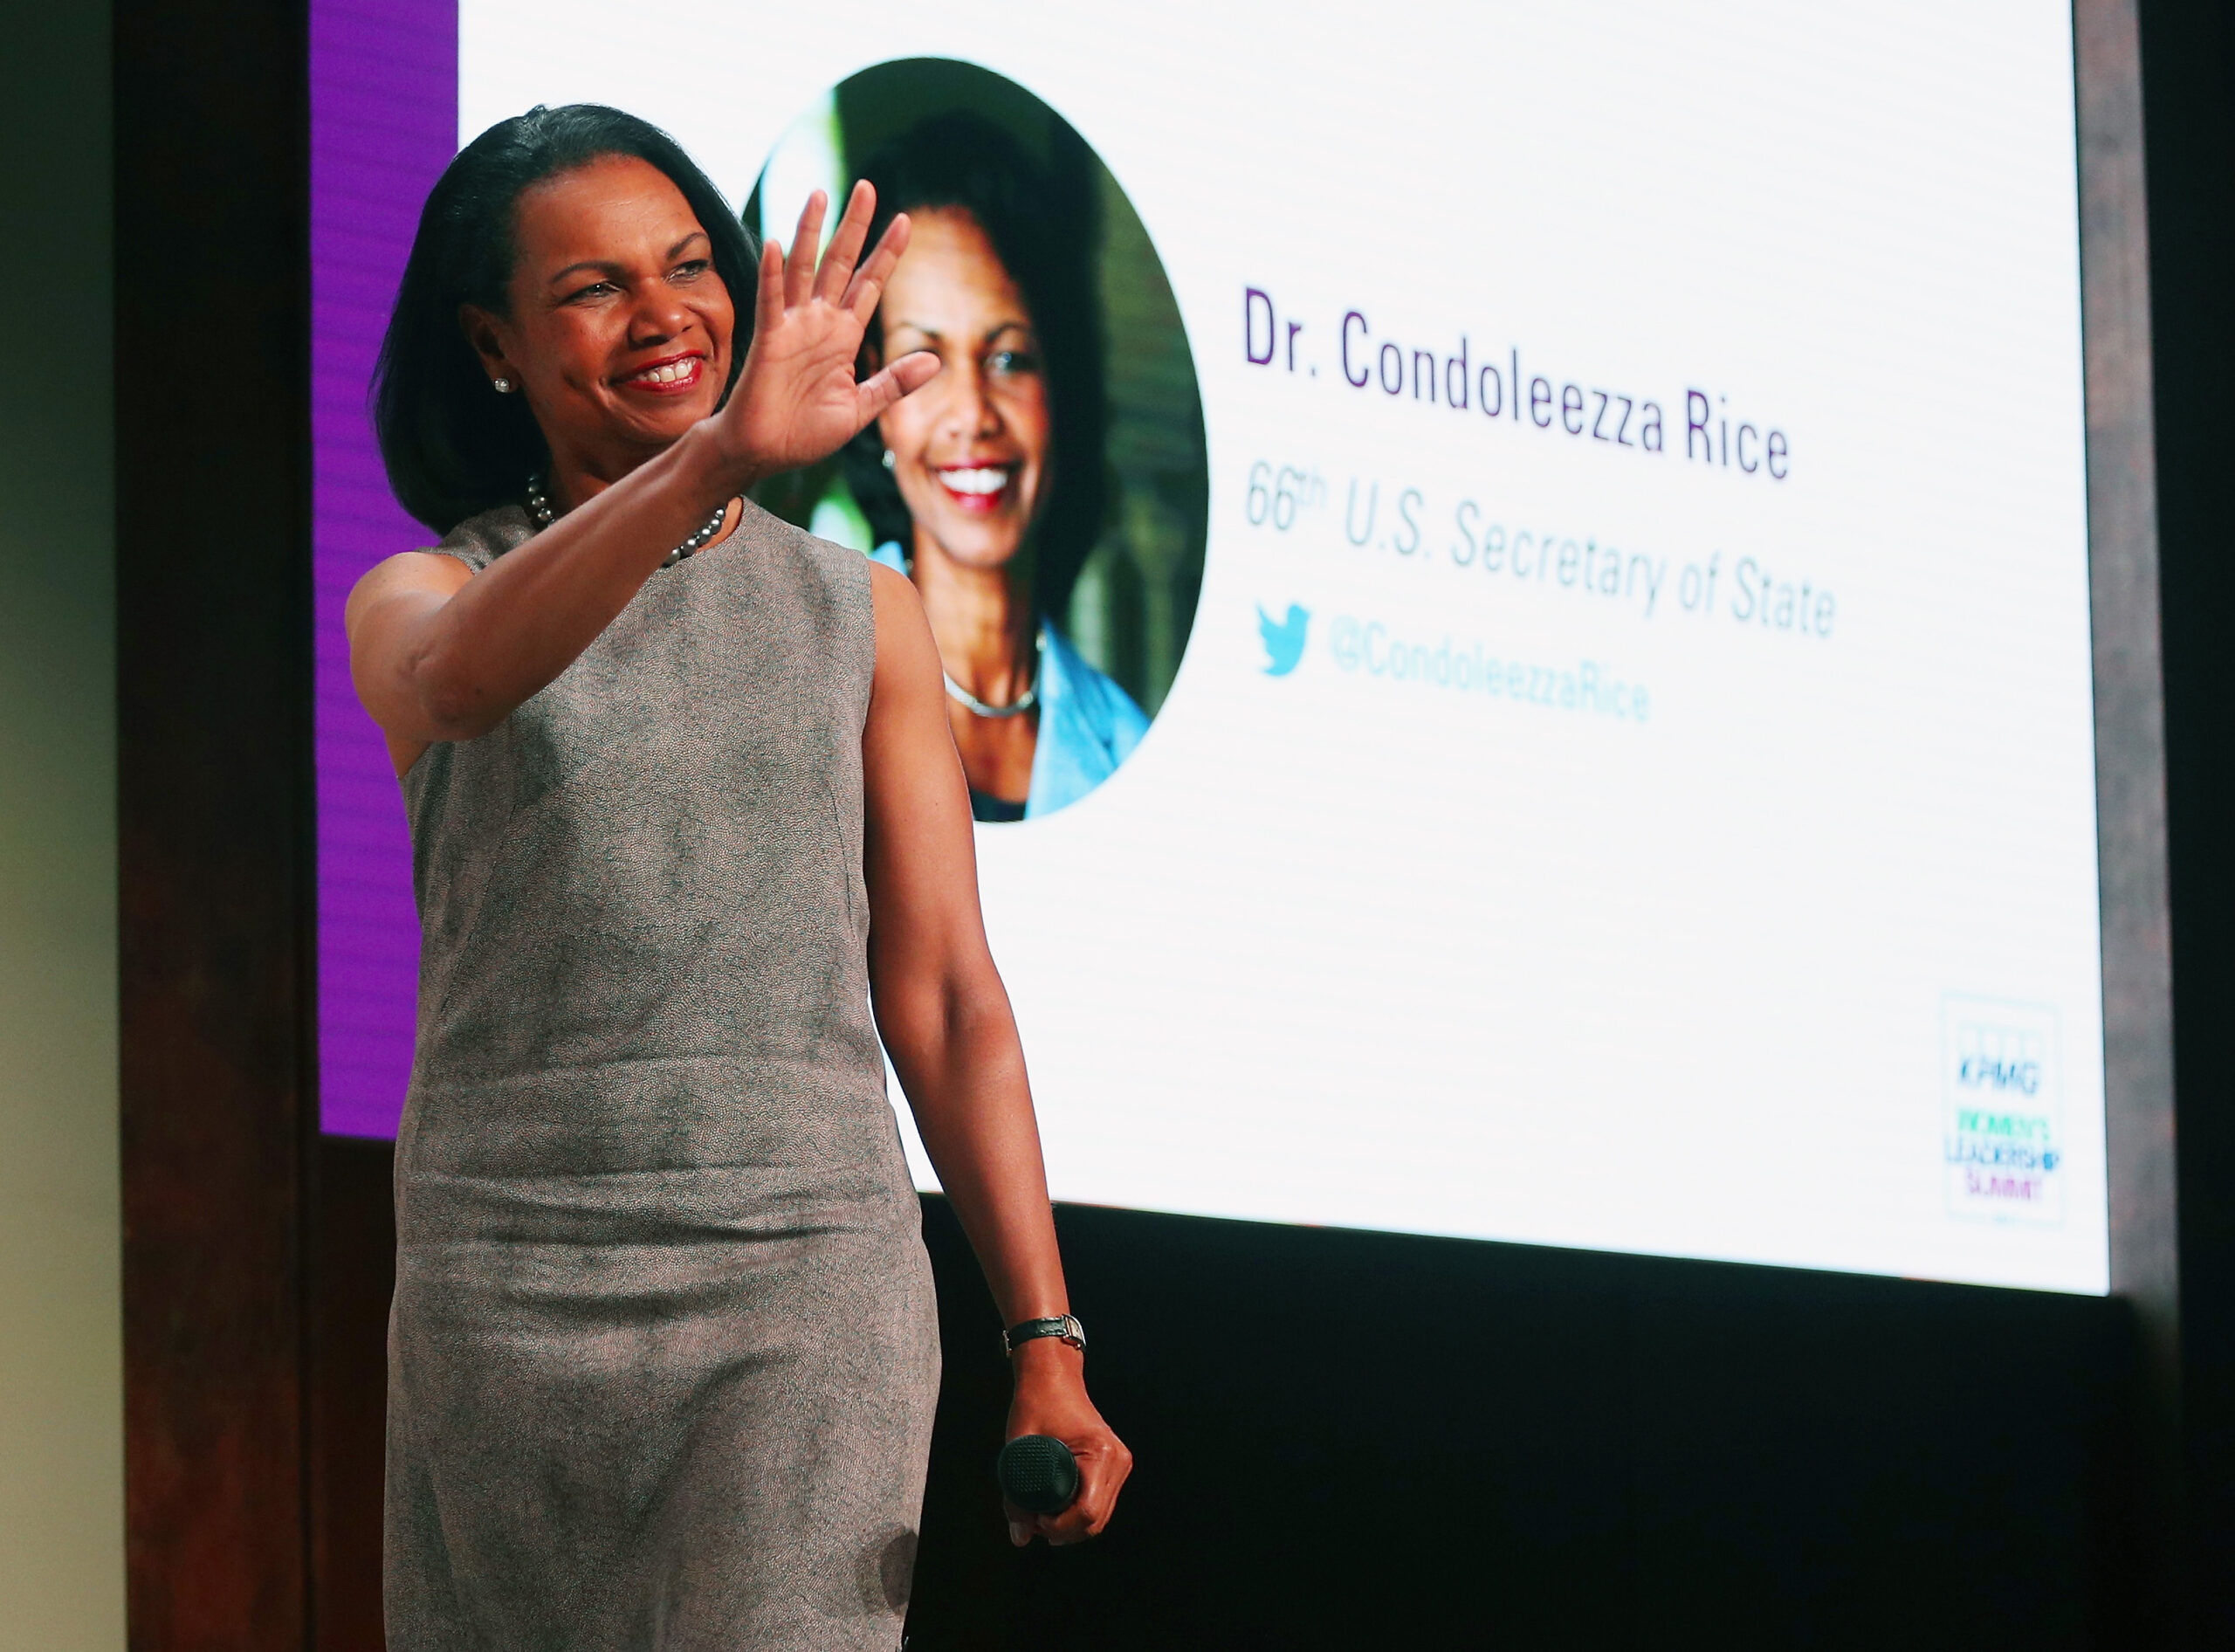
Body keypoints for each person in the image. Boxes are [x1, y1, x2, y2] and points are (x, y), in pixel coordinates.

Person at [347, 104, 1130, 1650]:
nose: (664, 316)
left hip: (804, 1281)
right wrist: (719, 456)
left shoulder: (863, 615)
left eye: (690, 266)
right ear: (492, 344)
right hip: (506, 1284)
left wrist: (1045, 1330)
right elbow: (456, 685)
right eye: (592, 289)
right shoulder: (428, 590)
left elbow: (950, 998)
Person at [841, 114, 1149, 823]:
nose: (972, 412)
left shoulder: (1132, 750)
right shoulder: (788, 686)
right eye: (924, 360)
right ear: (870, 394)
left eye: (1009, 357)